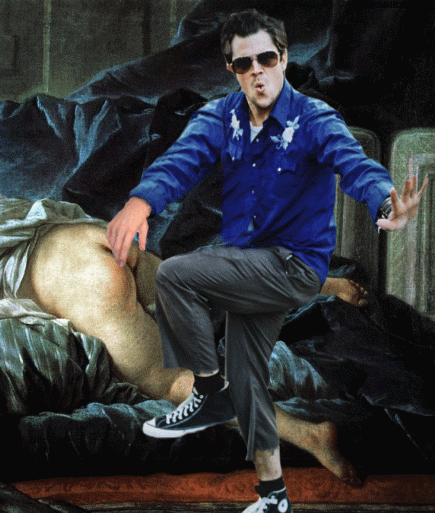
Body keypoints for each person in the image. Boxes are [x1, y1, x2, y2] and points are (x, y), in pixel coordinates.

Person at [0, 85, 381, 485]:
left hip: (74, 280)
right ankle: (314, 286)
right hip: (88, 240)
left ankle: (305, 433)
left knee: (167, 381)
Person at [106, 9, 428, 513]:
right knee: (246, 378)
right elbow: (179, 162)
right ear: (231, 70)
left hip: (296, 266)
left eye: (267, 59)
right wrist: (141, 201)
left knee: (174, 273)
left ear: (283, 58)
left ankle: (207, 393)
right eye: (244, 64)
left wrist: (387, 204)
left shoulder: (314, 118)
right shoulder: (220, 117)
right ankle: (278, 488)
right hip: (249, 266)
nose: (257, 72)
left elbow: (356, 165)